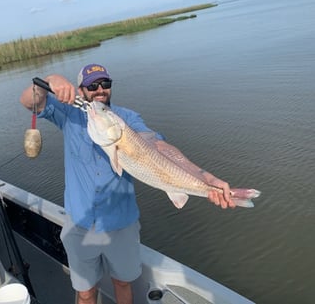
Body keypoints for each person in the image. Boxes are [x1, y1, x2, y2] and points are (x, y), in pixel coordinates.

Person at [19, 63, 235, 304]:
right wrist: (52, 79)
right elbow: (29, 101)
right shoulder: (71, 114)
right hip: (80, 222)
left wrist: (207, 179)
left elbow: (161, 147)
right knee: (86, 291)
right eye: (92, 85)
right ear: (80, 90)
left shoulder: (128, 119)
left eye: (105, 84)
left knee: (123, 283)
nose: (100, 89)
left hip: (121, 223)